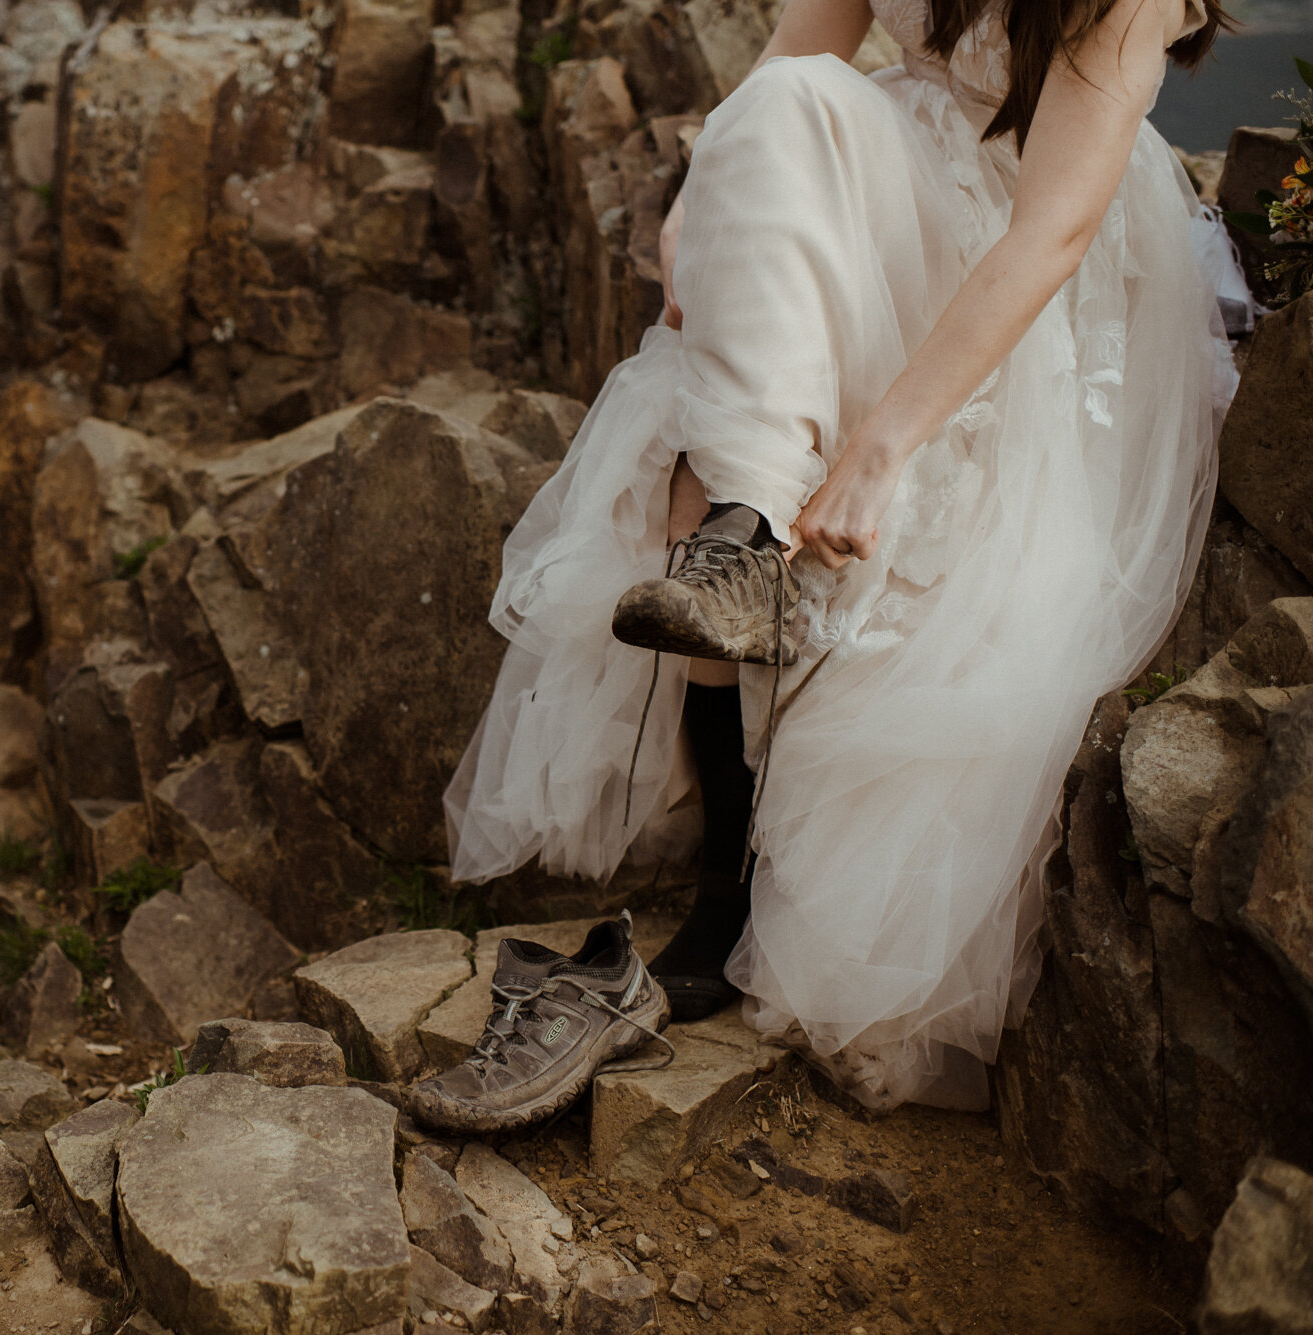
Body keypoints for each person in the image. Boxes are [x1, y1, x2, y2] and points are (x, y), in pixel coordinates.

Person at [428, 0, 1235, 1121]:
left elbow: (1050, 236)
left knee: (766, 454)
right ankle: (743, 541)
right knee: (771, 152)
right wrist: (690, 215)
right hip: (872, 172)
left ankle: (745, 538)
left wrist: (882, 446)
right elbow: (783, 68)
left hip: (1024, 253)